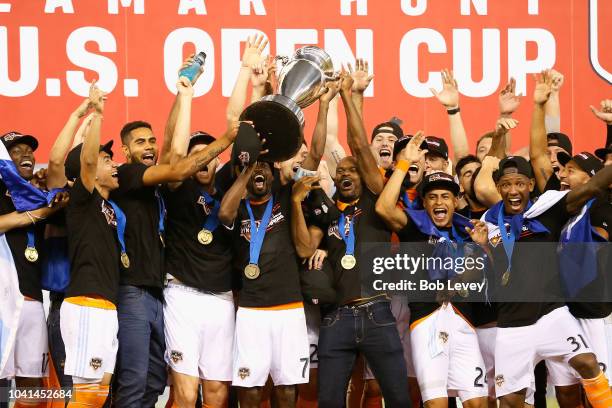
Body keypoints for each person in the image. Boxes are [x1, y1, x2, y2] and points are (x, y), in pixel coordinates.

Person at [111, 71, 239, 407]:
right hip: (134, 289)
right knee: (135, 381)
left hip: (156, 292)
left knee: (154, 381)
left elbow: (171, 150)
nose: (150, 146)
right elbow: (177, 165)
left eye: (151, 141)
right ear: (124, 151)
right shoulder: (127, 175)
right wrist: (225, 139)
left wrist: (184, 95)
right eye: (140, 142)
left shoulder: (153, 184)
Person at [290, 71, 411, 408]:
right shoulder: (325, 210)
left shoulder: (375, 201)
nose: (345, 174)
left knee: (399, 399)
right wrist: (315, 243)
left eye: (352, 170)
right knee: (329, 402)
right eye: (340, 171)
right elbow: (303, 246)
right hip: (335, 318)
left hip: (377, 312)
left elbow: (358, 144)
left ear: (365, 175)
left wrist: (347, 95)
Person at [480, 151, 612, 408]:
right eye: (506, 184)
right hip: (512, 323)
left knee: (587, 362)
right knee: (510, 401)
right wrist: (483, 247)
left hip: (552, 313)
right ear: (499, 188)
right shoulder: (489, 221)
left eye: (519, 183)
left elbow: (594, 186)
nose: (513, 190)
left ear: (530, 185)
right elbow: (498, 272)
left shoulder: (547, 209)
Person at [375, 133, 489, 408]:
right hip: (426, 322)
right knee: (435, 404)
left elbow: (479, 276)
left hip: (464, 322)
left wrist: (482, 249)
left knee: (478, 403)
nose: (439, 202)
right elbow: (383, 207)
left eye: (446, 197)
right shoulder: (414, 227)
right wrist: (402, 164)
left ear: (455, 200)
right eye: (433, 197)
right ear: (424, 203)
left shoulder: (470, 232)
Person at [60, 82, 120, 408]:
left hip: (105, 305)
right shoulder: (83, 199)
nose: (113, 163)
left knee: (97, 397)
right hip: (86, 302)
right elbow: (83, 162)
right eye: (105, 159)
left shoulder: (109, 206)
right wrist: (96, 113)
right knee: (84, 397)